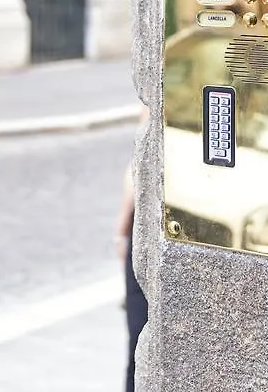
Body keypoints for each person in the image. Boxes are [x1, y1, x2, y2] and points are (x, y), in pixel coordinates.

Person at [115, 104, 151, 392]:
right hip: (148, 225)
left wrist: (121, 230)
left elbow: (138, 165)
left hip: (148, 225)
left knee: (140, 347)